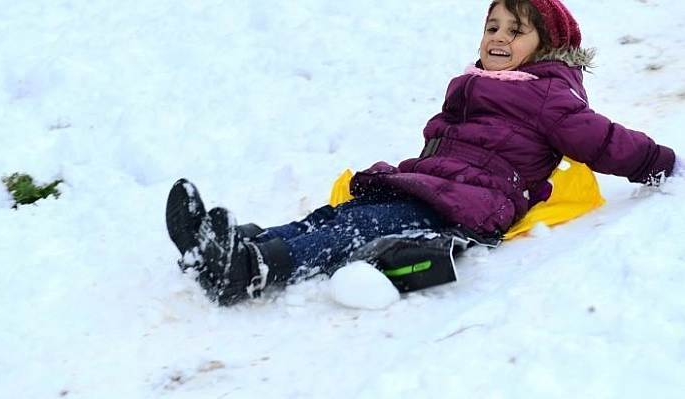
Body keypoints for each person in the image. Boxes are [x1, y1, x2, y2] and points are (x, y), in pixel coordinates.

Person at [165, 0, 683, 306]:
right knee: (342, 214)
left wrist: (663, 163)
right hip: (435, 186)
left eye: (515, 31)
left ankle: (249, 269)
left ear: (545, 47)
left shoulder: (549, 96)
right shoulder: (477, 81)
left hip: (472, 206)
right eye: (492, 26)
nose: (498, 37)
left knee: (359, 230)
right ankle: (232, 245)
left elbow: (608, 141)